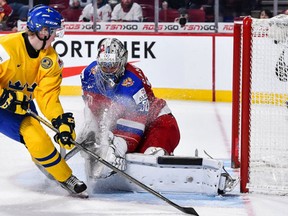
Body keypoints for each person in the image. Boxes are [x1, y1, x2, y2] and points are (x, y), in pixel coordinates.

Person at [0, 5, 87, 195]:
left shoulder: (50, 58)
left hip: (21, 102)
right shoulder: (5, 47)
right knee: (36, 138)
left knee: (39, 139)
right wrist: (4, 97)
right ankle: (65, 176)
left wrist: (60, 122)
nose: (56, 36)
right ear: (43, 31)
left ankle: (52, 165)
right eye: (55, 31)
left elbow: (47, 95)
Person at [80, 38, 180, 177]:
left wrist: (118, 149)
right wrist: (91, 133)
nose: (108, 71)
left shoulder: (132, 81)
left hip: (157, 124)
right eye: (105, 66)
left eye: (113, 66)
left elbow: (135, 124)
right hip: (124, 126)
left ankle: (161, 153)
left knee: (151, 159)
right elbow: (92, 108)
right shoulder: (88, 74)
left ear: (122, 62)